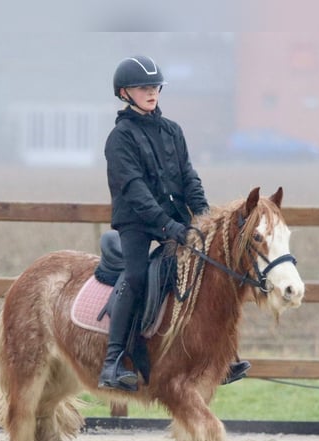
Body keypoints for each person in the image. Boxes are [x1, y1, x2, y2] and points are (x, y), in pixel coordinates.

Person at [98, 55, 250, 392]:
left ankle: (221, 357)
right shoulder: (120, 138)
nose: (151, 92)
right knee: (136, 277)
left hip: (177, 217)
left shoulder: (172, 131)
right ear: (125, 93)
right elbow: (135, 190)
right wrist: (168, 226)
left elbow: (188, 177)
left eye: (155, 87)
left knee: (208, 274)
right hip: (137, 222)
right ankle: (112, 361)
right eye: (143, 88)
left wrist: (203, 216)